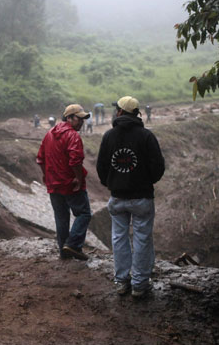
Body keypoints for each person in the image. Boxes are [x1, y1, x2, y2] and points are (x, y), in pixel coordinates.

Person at [96, 96, 165, 299]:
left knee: (119, 238)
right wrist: (146, 182)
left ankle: (121, 281)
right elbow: (158, 167)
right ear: (136, 113)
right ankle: (140, 285)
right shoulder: (146, 136)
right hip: (142, 197)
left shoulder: (108, 136)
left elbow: (101, 167)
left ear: (119, 112)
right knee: (142, 238)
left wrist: (112, 183)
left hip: (117, 197)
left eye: (116, 109)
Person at [36, 104, 92, 261]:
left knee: (61, 218)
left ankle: (64, 252)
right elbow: (75, 161)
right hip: (70, 184)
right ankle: (73, 245)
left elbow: (40, 159)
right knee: (84, 213)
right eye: (79, 118)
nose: (81, 122)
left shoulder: (49, 134)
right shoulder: (73, 136)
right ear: (69, 118)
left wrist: (45, 175)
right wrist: (79, 179)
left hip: (53, 184)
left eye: (83, 119)